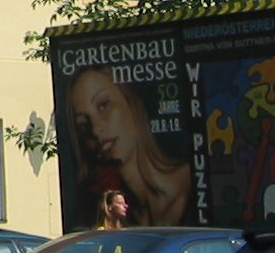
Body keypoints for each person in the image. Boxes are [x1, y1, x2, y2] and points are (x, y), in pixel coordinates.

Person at [68, 66, 190, 227]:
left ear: (132, 103)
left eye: (103, 105)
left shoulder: (187, 183)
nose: (96, 130)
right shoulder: (110, 214)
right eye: (83, 124)